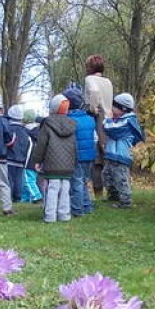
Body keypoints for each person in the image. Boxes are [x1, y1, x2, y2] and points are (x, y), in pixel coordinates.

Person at [32, 94, 77, 223]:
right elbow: (75, 145)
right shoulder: (72, 124)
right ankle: (64, 215)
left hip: (51, 164)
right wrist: (75, 160)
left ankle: (50, 216)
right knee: (65, 189)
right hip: (68, 163)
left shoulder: (47, 123)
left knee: (52, 189)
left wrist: (37, 160)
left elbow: (41, 144)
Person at [102, 92, 145, 209]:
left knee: (121, 178)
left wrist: (107, 119)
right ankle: (113, 195)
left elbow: (111, 130)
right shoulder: (119, 120)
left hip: (121, 156)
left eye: (114, 106)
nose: (112, 108)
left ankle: (126, 201)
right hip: (112, 154)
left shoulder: (127, 122)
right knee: (107, 175)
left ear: (123, 109)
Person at [83, 55, 114, 198]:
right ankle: (112, 189)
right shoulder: (108, 81)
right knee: (107, 156)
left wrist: (92, 108)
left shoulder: (89, 79)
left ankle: (99, 192)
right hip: (109, 119)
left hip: (97, 118)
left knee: (97, 158)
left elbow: (94, 92)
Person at [64, 87, 97, 217]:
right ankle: (87, 206)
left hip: (77, 155)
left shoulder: (69, 120)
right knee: (83, 181)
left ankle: (77, 209)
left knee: (76, 182)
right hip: (89, 155)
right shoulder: (89, 119)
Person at [6, 104, 34, 203]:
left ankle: (8, 197)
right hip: (21, 160)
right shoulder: (26, 131)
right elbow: (29, 145)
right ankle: (17, 197)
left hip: (8, 158)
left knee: (9, 179)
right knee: (18, 179)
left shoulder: (8, 128)